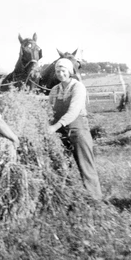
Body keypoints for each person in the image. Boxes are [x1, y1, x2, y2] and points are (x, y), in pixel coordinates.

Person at [48, 58, 102, 200]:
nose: (60, 74)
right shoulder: (54, 90)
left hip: (78, 130)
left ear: (70, 71)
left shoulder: (78, 87)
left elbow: (73, 111)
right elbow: (49, 111)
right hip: (60, 133)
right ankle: (64, 197)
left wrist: (54, 127)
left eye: (63, 71)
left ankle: (95, 199)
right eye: (58, 71)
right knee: (61, 165)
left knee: (85, 166)